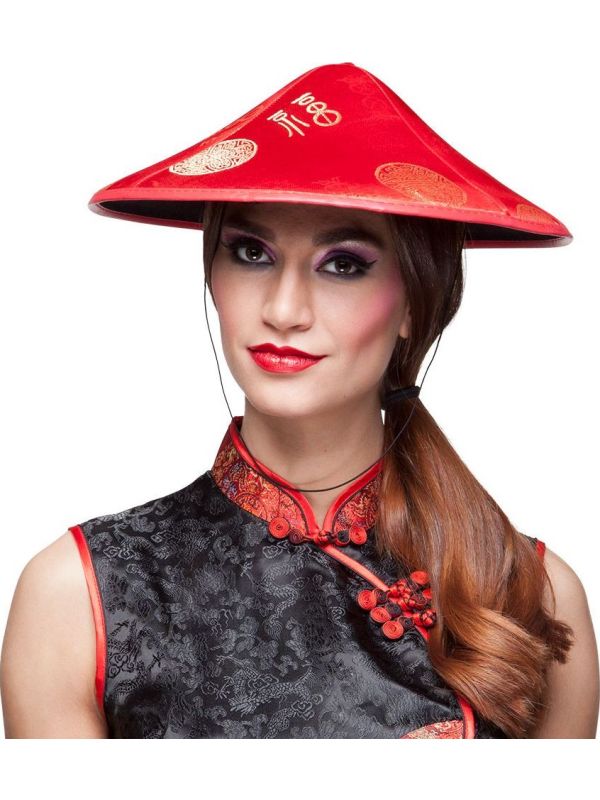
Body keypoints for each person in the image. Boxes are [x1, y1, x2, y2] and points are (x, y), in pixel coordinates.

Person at [1, 62, 598, 739]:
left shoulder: (531, 598)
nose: (283, 310)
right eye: (250, 253)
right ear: (212, 276)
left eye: (344, 264)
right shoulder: (80, 595)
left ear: (415, 301)